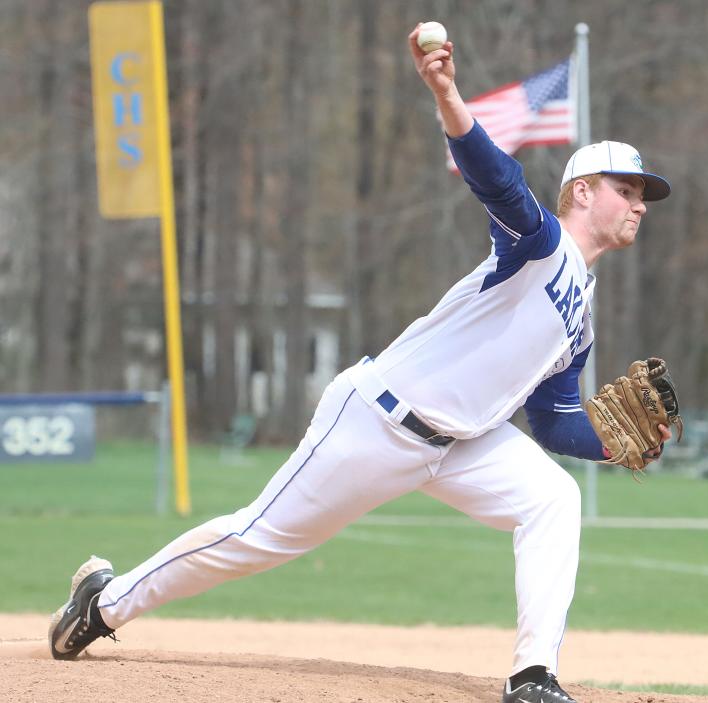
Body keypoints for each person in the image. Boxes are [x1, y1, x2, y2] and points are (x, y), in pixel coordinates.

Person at [48, 23, 673, 703]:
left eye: (643, 194)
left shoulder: (582, 308)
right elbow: (500, 182)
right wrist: (446, 92)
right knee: (257, 538)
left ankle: (531, 676)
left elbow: (551, 421)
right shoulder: (541, 244)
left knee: (553, 497)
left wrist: (610, 440)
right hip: (378, 420)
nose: (640, 202)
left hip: (464, 443)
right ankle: (102, 603)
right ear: (583, 191)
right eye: (627, 188)